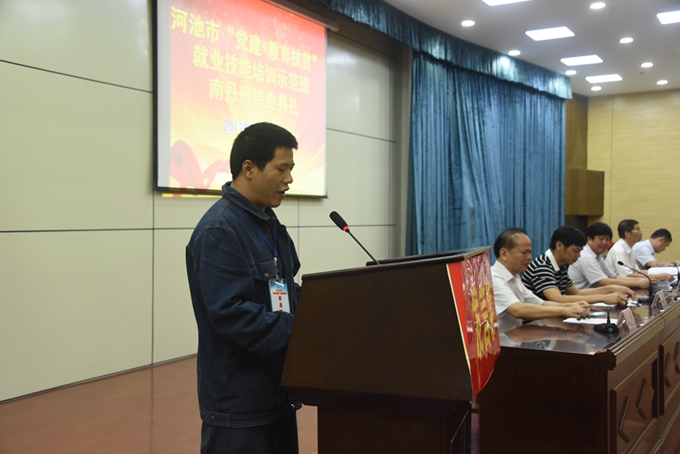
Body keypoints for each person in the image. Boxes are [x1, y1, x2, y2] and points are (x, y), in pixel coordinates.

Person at [186, 122, 302, 454]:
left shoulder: (269, 224)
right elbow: (230, 314)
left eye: (291, 169)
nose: (289, 179)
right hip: (238, 406)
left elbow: (285, 290)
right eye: (281, 169)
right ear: (249, 168)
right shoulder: (220, 229)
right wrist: (301, 328)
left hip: (277, 393)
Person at [491, 228, 590, 334]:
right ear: (504, 254)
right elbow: (518, 310)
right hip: (501, 341)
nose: (529, 257)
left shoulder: (515, 278)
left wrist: (572, 306)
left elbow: (540, 303)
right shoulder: (493, 277)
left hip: (515, 337)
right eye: (524, 252)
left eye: (529, 252)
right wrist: (564, 310)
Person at [521, 225, 633, 304]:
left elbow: (576, 293)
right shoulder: (542, 266)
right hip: (535, 322)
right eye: (575, 251)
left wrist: (612, 288)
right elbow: (558, 299)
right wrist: (603, 298)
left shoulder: (561, 265)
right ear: (559, 246)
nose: (578, 256)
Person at [568, 222, 654, 290]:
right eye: (601, 239)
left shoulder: (597, 256)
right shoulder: (586, 256)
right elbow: (604, 282)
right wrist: (638, 283)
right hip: (582, 299)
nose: (605, 242)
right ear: (589, 239)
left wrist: (644, 280)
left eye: (607, 239)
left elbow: (614, 277)